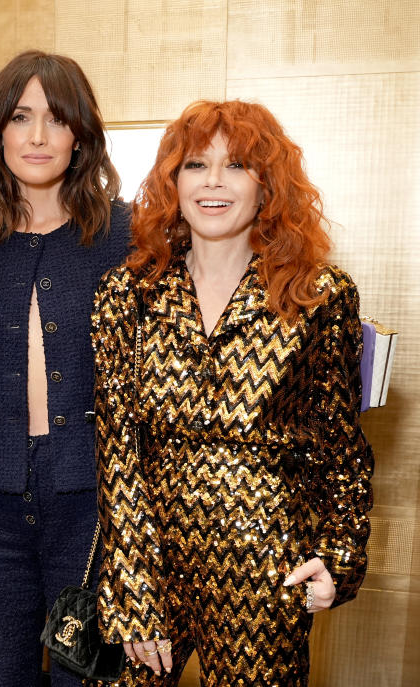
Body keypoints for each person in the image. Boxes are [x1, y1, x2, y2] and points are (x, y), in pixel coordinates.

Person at [91, 100, 374, 684]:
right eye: (196, 164)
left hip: (266, 562)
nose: (214, 181)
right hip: (153, 559)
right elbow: (117, 450)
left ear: (267, 185)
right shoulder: (128, 291)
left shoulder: (318, 295)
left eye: (238, 165)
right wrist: (132, 589)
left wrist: (340, 556)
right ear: (173, 180)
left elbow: (339, 442)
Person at [0, 50, 131, 686]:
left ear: (82, 135)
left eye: (56, 118)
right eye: (21, 118)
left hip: (95, 502)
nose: (38, 137)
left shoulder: (127, 238)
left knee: (92, 676)